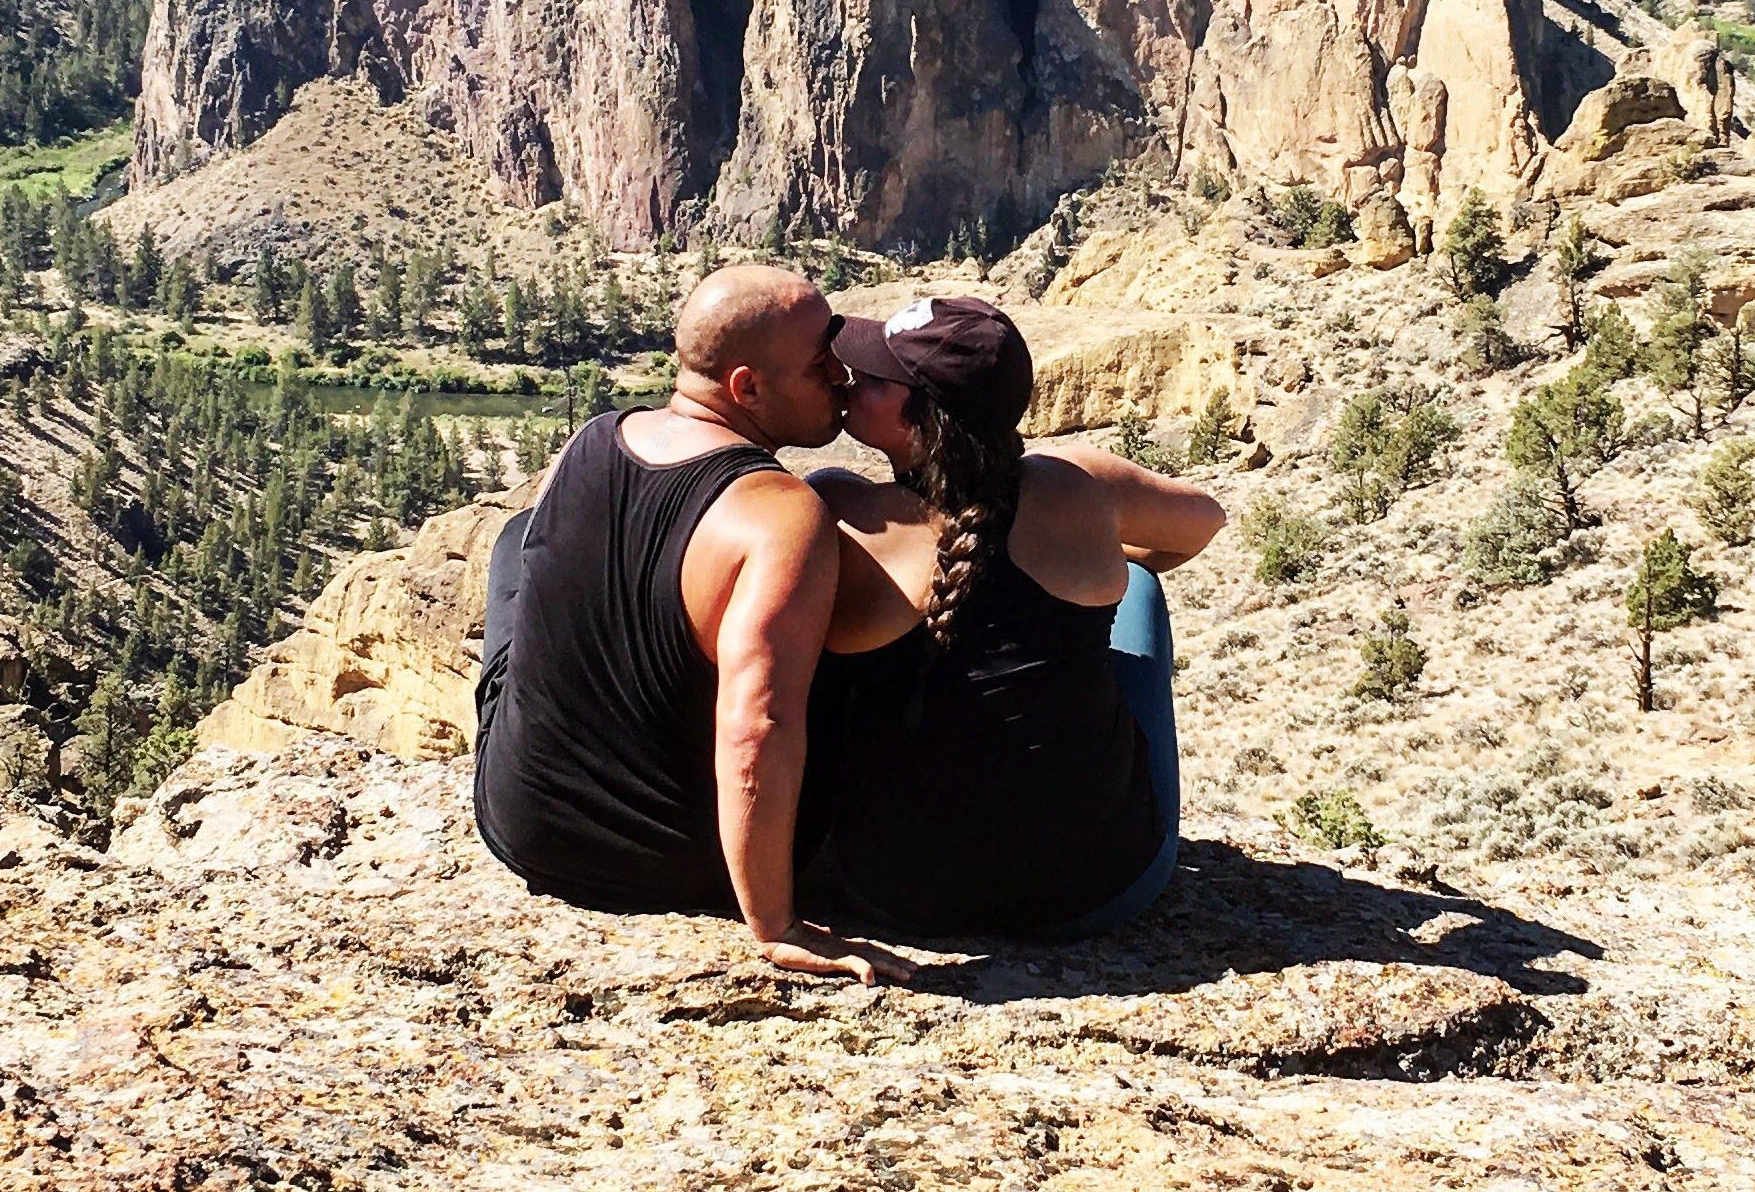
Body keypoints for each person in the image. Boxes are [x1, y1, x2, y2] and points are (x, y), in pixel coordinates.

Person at [473, 262, 898, 983]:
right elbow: (757, 722)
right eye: (820, 364)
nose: (842, 376)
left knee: (519, 544)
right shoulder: (781, 512)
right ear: (747, 389)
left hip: (520, 826)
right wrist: (776, 925)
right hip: (669, 866)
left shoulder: (593, 438)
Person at [805, 294, 1224, 941]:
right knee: (1135, 586)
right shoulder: (1077, 485)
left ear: (924, 421)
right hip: (1098, 887)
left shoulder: (835, 511)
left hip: (894, 893)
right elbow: (1204, 522)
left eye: (877, 378)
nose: (851, 377)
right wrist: (1089, 564)